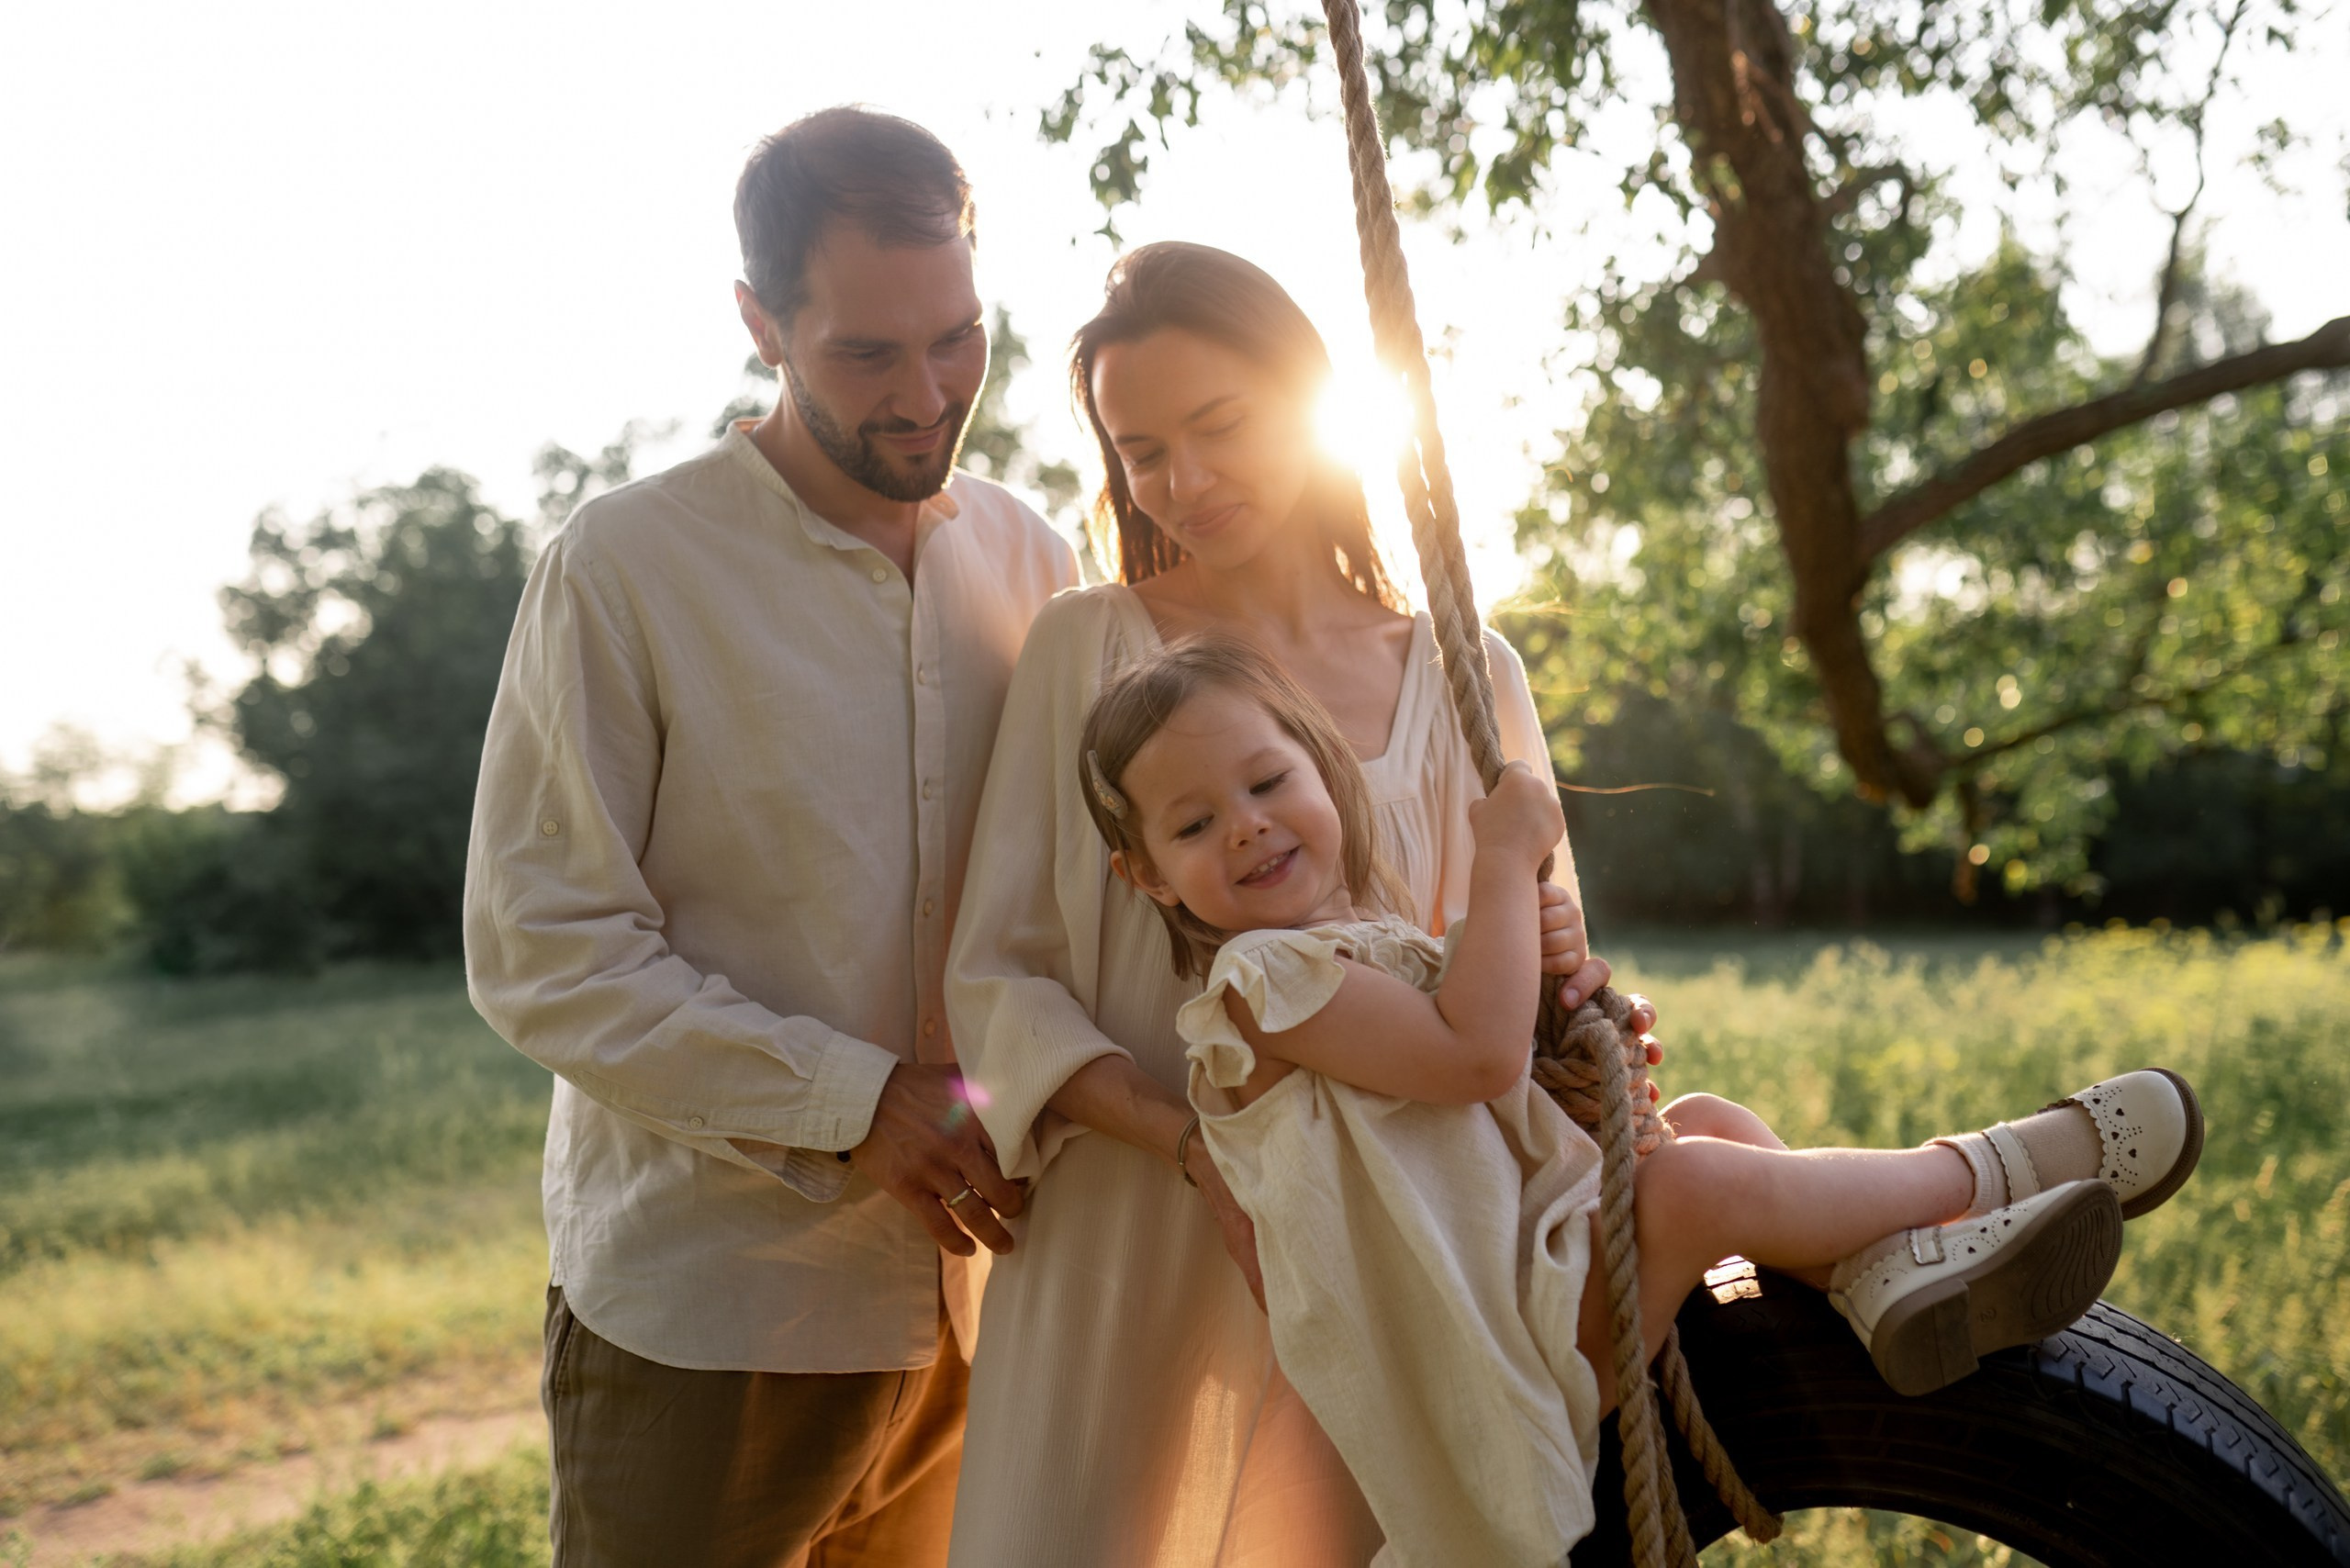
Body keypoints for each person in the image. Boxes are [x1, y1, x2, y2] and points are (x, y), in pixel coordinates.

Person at [1075, 633, 2205, 1568]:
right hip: (1499, 1351)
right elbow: (1472, 1061)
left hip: (1537, 1279)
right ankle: (2005, 1165)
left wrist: (1539, 954)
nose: (1246, 824)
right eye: (1191, 823)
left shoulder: (1359, 952)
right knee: (1696, 1183)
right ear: (1146, 875)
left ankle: (1888, 1279)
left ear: (1321, 771)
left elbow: (1484, 1053)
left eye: (1267, 782)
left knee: (1702, 1121)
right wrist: (1502, 868)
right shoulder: (1260, 988)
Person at [943, 241, 1624, 1568]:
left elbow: (1524, 948)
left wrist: (1583, 1000)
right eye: (1142, 451)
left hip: (1398, 1245)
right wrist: (1197, 1153)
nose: (1183, 483)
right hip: (1144, 1235)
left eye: (1220, 427)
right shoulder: (1092, 650)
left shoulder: (1464, 669)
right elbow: (997, 980)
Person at [464, 106, 1077, 1568]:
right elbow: (546, 951)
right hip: (714, 1319)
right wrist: (853, 1104)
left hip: (985, 1315)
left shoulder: (1039, 561)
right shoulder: (625, 568)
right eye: (868, 354)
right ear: (760, 322)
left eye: (959, 340)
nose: (929, 395)